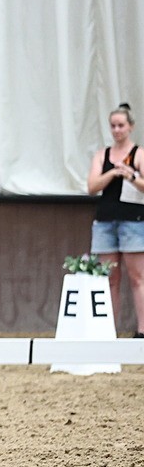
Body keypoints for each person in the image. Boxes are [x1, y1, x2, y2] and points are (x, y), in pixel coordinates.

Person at [87, 103, 144, 336]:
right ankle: (107, 330)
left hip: (133, 220)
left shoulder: (139, 153)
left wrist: (130, 175)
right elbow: (92, 186)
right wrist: (112, 172)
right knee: (108, 278)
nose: (117, 130)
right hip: (106, 221)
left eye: (121, 125)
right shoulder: (103, 155)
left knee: (137, 278)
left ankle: (142, 331)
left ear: (130, 127)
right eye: (113, 126)